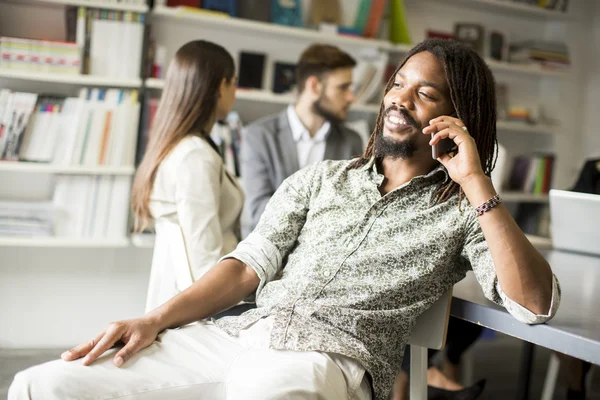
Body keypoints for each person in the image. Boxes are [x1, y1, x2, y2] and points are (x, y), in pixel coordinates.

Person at [9, 39, 561, 400]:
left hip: (324, 357)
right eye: (397, 84)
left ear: (455, 117)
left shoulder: (464, 210)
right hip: (239, 334)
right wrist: (154, 319)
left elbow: (534, 304)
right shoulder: (320, 179)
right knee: (45, 384)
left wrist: (476, 182)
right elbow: (247, 266)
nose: (399, 99)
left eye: (425, 94)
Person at [130, 40, 243, 313]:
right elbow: (205, 259)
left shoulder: (181, 147)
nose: (235, 92)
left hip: (182, 300)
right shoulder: (195, 156)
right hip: (203, 309)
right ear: (220, 86)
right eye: (234, 83)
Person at [241, 43, 364, 234]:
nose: (351, 98)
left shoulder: (351, 141)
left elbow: (351, 213)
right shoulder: (258, 136)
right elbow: (260, 213)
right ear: (314, 86)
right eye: (343, 88)